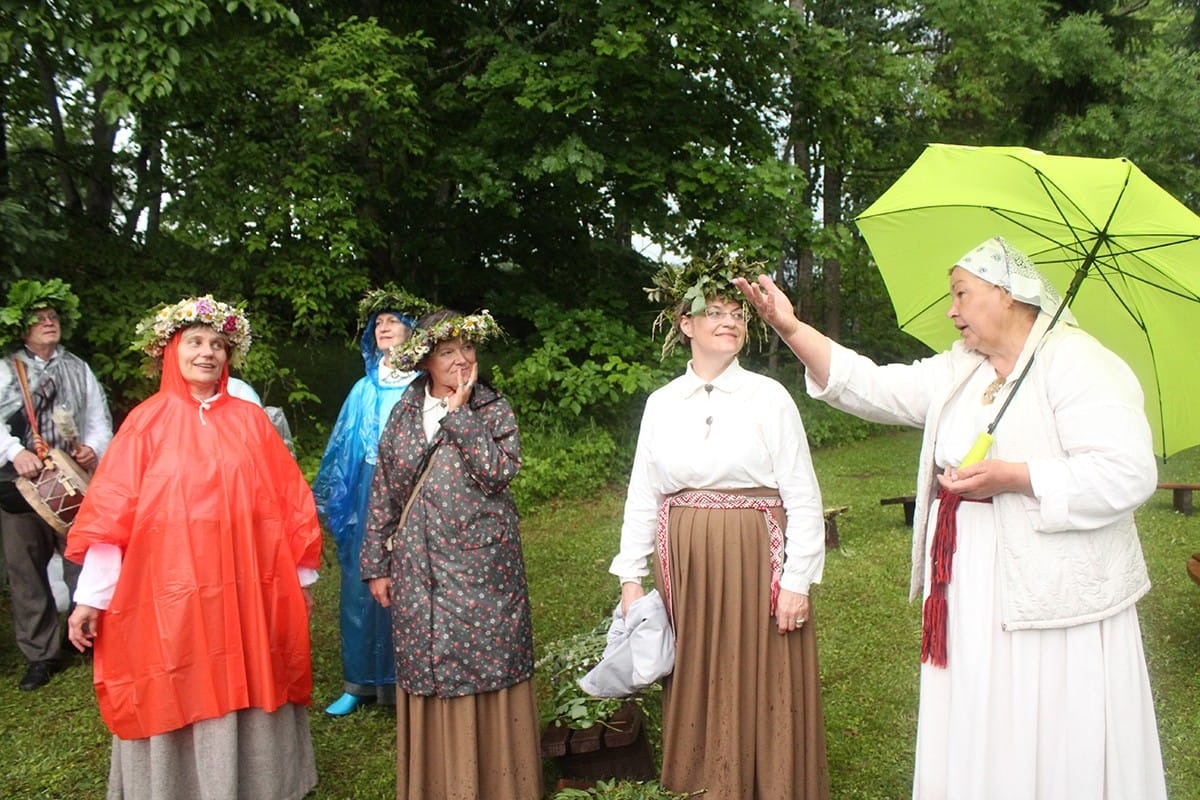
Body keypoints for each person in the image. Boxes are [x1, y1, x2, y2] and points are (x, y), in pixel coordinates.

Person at [735, 236, 1168, 800]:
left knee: (1047, 707)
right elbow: (877, 387)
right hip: (969, 583)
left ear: (1008, 296)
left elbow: (1128, 473)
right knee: (980, 699)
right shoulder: (962, 367)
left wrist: (1016, 475)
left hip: (1057, 594)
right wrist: (792, 329)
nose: (951, 310)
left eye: (962, 293)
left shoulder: (1080, 363)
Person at [64, 295, 322, 800]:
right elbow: (113, 513)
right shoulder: (145, 423)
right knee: (177, 673)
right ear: (170, 351)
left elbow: (288, 501)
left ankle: (257, 782)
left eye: (218, 345)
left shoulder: (251, 422)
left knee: (250, 660)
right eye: (196, 343)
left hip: (249, 585)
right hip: (169, 593)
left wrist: (301, 578)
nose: (208, 353)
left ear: (229, 356)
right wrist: (91, 597)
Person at [609, 254, 830, 799]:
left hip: (757, 555)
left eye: (739, 313)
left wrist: (797, 581)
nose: (731, 320)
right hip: (687, 562)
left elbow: (802, 495)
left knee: (762, 670)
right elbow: (644, 492)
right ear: (686, 323)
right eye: (715, 311)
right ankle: (704, 783)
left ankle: (771, 782)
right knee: (698, 672)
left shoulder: (769, 397)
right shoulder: (662, 404)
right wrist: (631, 577)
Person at [361, 308, 543, 800]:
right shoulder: (403, 410)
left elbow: (498, 472)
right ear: (425, 362)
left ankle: (501, 783)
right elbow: (384, 490)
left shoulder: (492, 408)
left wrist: (461, 415)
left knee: (488, 662)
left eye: (468, 349)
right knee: (428, 664)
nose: (462, 359)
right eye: (447, 352)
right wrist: (376, 564)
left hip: (483, 564)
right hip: (418, 568)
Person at [313, 286, 428, 716]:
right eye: (377, 322)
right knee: (361, 585)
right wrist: (332, 500)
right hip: (364, 497)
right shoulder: (362, 390)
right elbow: (341, 449)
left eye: (392, 321)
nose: (383, 327)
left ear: (412, 332)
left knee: (413, 579)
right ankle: (359, 682)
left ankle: (411, 678)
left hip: (413, 494)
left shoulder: (422, 387)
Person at [0, 278, 112, 691]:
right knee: (26, 569)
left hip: (73, 483)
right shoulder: (5, 369)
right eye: (40, 318)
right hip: (19, 483)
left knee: (81, 560)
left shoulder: (78, 367)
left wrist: (93, 449)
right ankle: (41, 654)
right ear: (22, 328)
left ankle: (87, 637)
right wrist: (14, 452)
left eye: (53, 317)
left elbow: (99, 420)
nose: (49, 322)